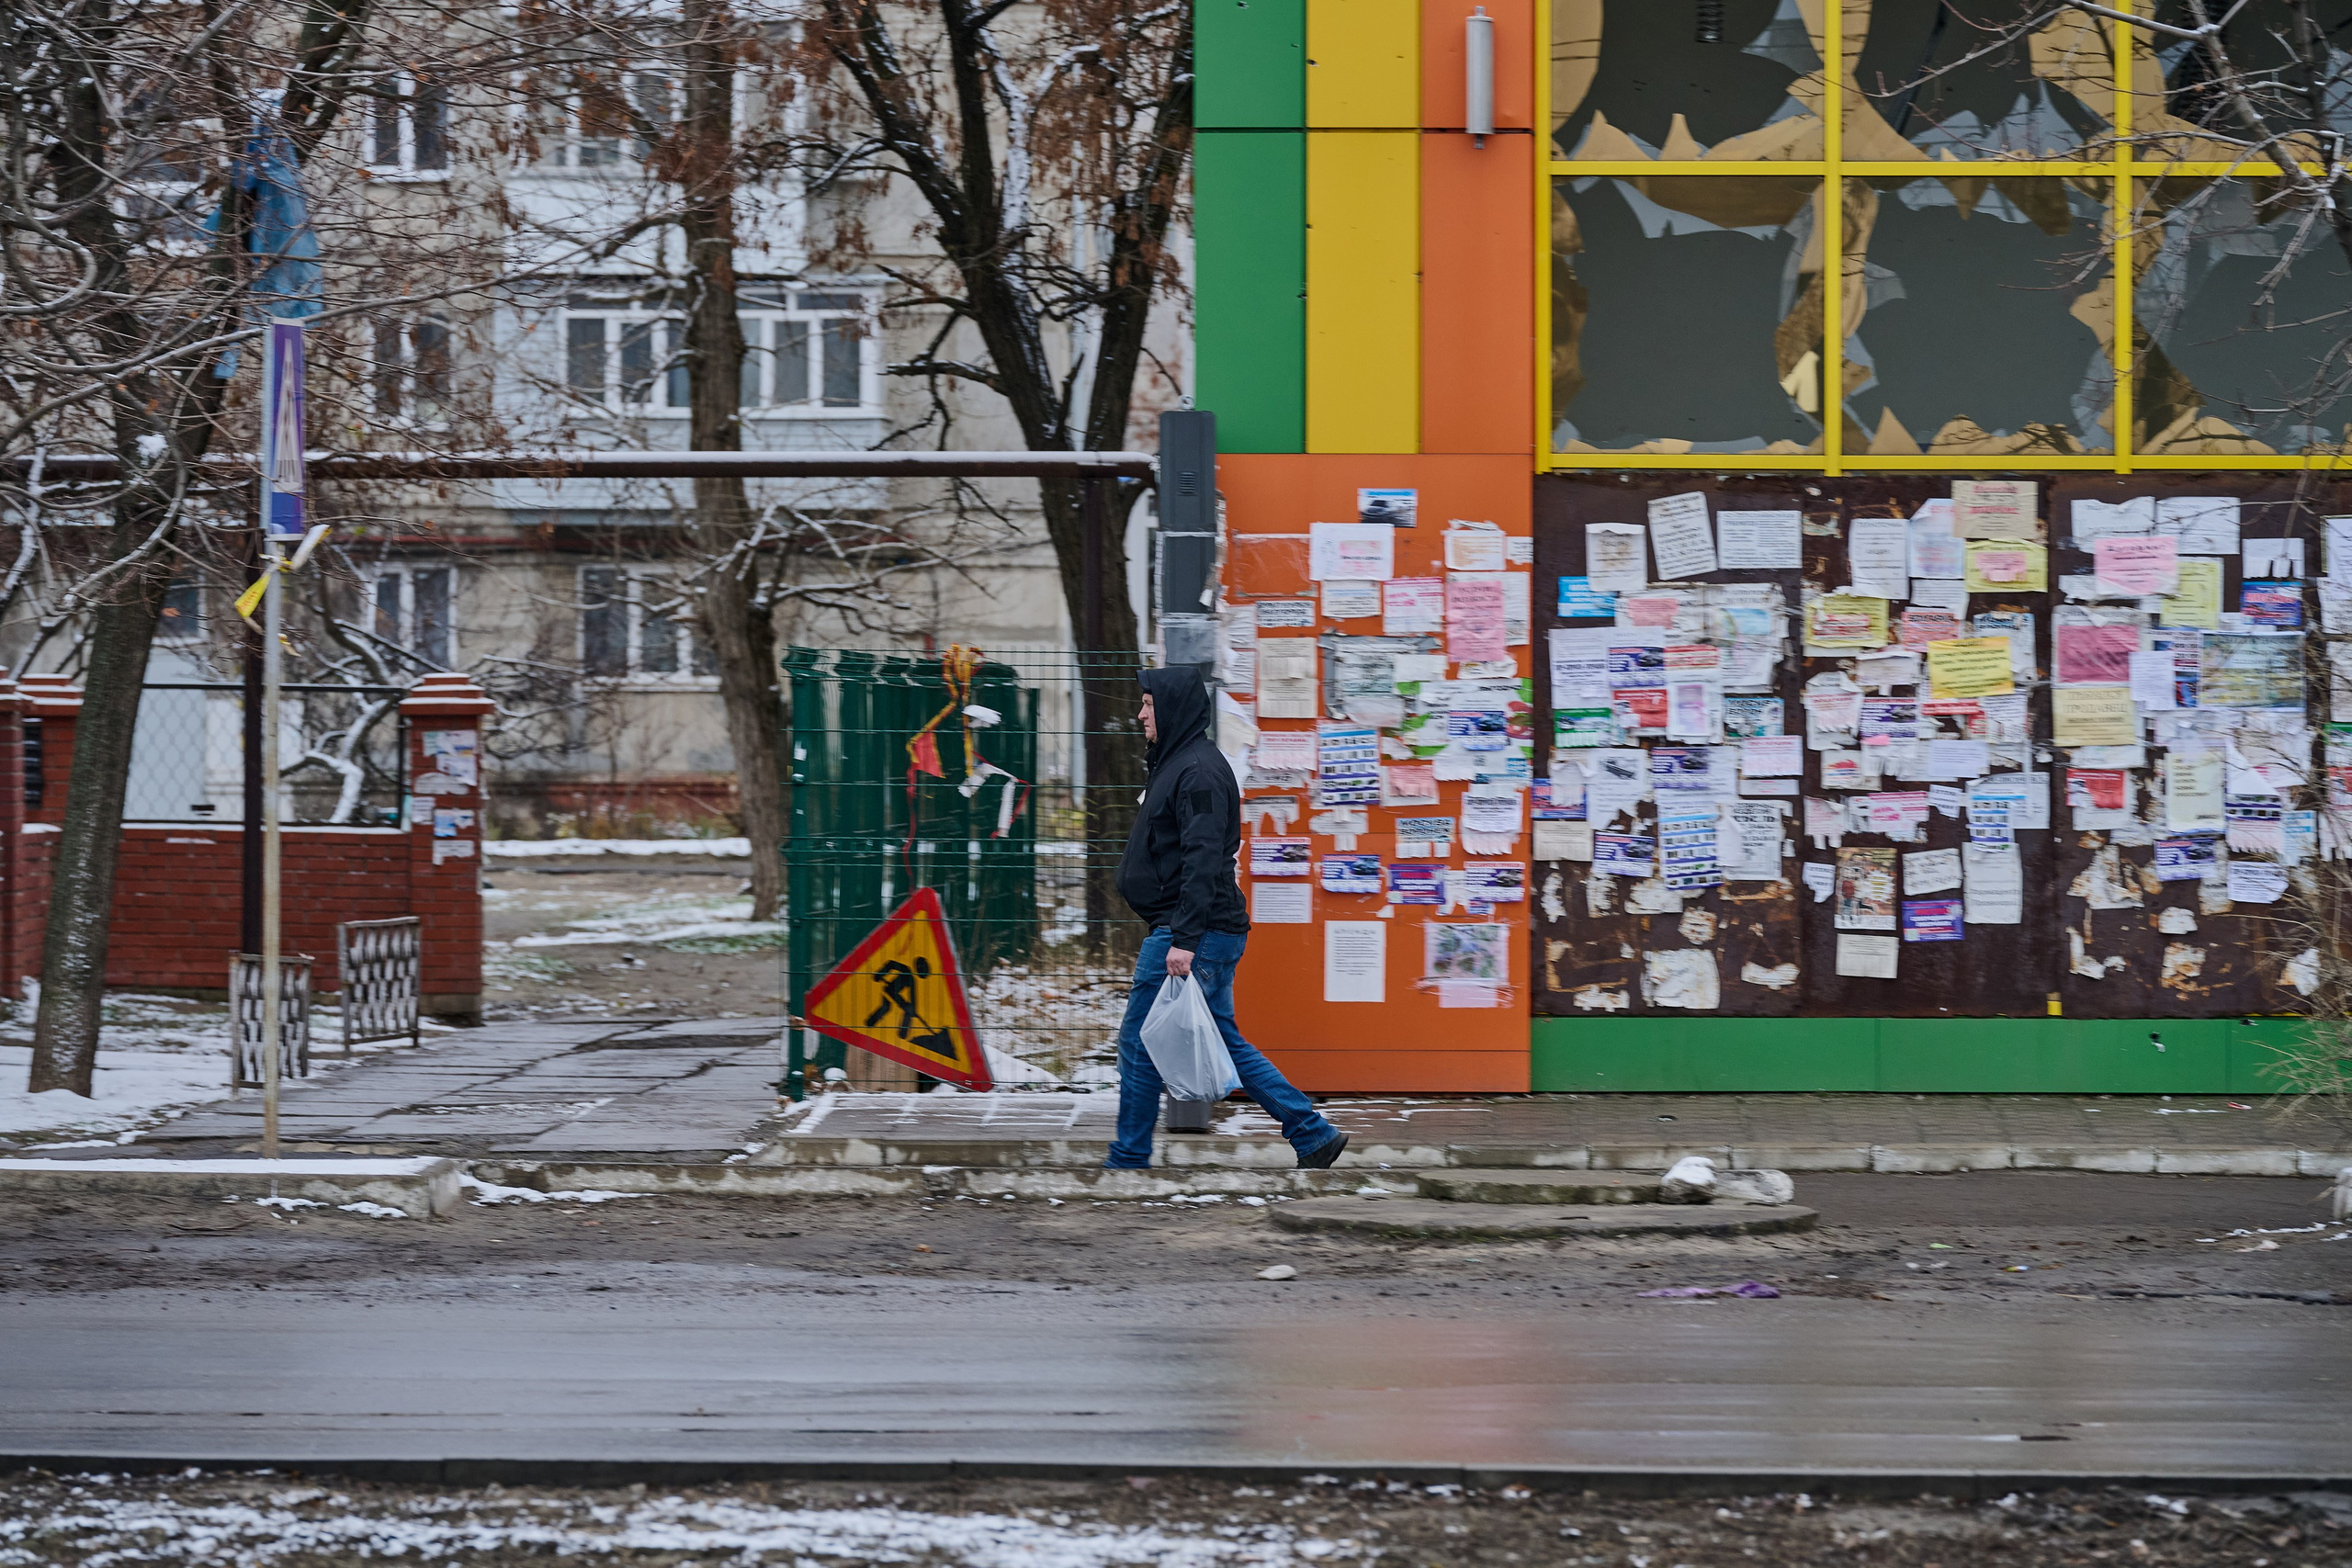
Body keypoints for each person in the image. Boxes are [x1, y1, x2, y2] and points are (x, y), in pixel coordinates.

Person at [1105, 665, 1349, 1170]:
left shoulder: (1197, 771)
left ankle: (1128, 1160)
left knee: (1138, 1042)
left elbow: (1202, 859)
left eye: (1148, 705)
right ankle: (1311, 1132)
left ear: (1170, 708)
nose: (1140, 714)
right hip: (1194, 929)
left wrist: (1184, 940)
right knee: (1217, 1039)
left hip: (1190, 931)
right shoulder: (1180, 764)